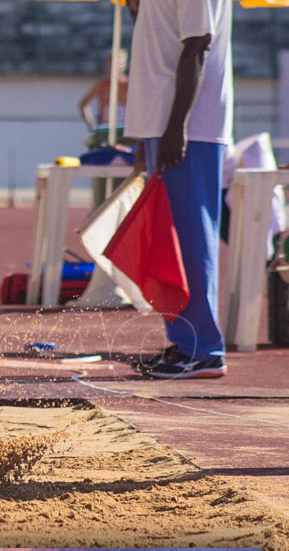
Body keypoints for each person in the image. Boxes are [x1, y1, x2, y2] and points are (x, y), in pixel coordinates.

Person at [125, 0, 232, 379]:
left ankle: (202, 348)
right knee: (170, 241)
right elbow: (160, 45)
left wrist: (176, 127)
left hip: (190, 129)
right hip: (164, 125)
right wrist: (146, 131)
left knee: (189, 239)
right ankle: (185, 342)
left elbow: (198, 44)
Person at [78, 50, 130, 130]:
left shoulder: (128, 85)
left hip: (124, 131)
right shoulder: (102, 85)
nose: (112, 67)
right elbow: (83, 104)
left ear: (123, 65)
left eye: (116, 63)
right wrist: (92, 126)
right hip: (106, 131)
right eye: (109, 63)